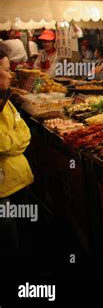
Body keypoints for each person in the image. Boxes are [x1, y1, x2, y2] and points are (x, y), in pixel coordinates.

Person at [0, 53, 34, 252]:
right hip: (3, 189)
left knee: (23, 235)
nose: (11, 74)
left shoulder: (7, 100)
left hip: (20, 180)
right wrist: (16, 140)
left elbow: (25, 131)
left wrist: (12, 141)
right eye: (6, 69)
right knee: (9, 244)